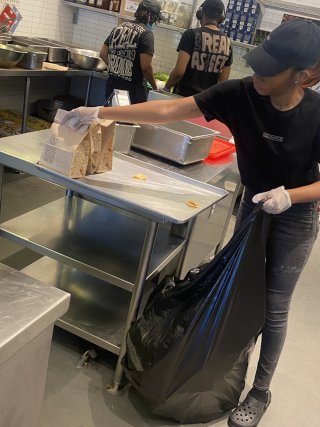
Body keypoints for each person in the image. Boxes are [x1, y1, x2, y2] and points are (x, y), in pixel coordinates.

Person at [62, 19, 320, 427]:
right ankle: (222, 368)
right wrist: (101, 111)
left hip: (295, 216)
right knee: (240, 292)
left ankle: (260, 390)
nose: (258, 74)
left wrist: (292, 195)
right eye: (257, 64)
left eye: (271, 69)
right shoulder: (241, 94)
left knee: (273, 307)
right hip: (253, 207)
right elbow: (168, 110)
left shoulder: (316, 114)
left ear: (305, 74)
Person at [163, 0, 233, 96]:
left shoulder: (191, 34)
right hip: (207, 102)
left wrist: (166, 87)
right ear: (221, 18)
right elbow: (223, 82)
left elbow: (179, 72)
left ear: (201, 14)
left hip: (184, 99)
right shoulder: (227, 42)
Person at [100, 0, 163, 104]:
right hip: (132, 92)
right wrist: (155, 87)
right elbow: (146, 68)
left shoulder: (119, 27)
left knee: (111, 117)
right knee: (128, 120)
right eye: (156, 19)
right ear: (150, 16)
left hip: (112, 86)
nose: (155, 23)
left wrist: (116, 68)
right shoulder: (146, 34)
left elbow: (102, 53)